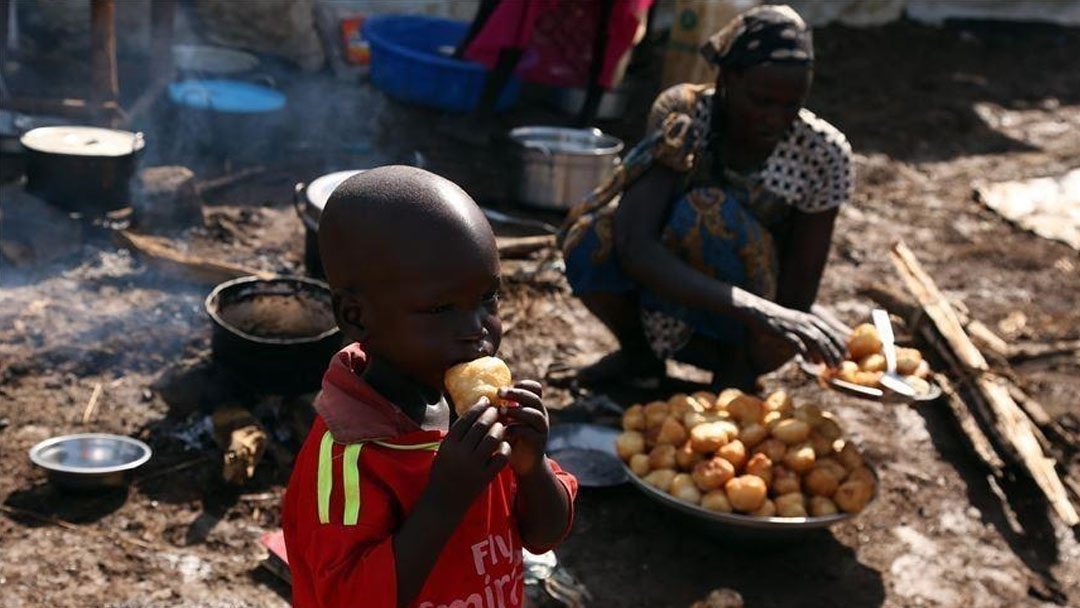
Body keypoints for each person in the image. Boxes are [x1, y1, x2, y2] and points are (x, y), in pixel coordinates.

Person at [283, 166, 578, 608]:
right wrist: (444, 500)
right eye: (441, 308)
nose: (477, 329)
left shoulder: (477, 413)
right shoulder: (349, 460)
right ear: (356, 316)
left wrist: (531, 467)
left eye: (488, 298)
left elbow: (543, 535)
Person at [560, 4, 852, 391]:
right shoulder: (684, 115)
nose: (775, 119)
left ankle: (733, 377)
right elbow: (633, 242)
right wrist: (761, 311)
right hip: (669, 290)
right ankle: (640, 359)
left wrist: (772, 321)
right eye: (762, 101)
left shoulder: (823, 153)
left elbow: (797, 296)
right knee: (591, 237)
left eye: (791, 105)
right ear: (728, 79)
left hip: (752, 331)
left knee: (710, 214)